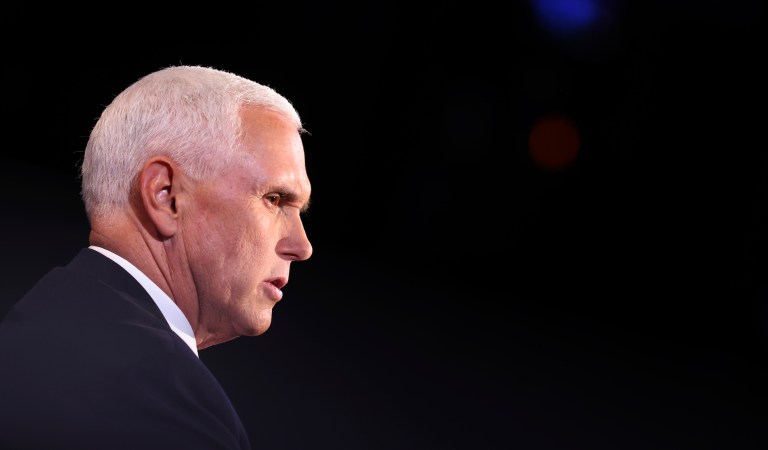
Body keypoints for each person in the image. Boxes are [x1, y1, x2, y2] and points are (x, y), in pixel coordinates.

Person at [0, 65, 313, 449]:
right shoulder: (166, 406)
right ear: (166, 195)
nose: (301, 245)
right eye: (275, 199)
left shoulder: (36, 327)